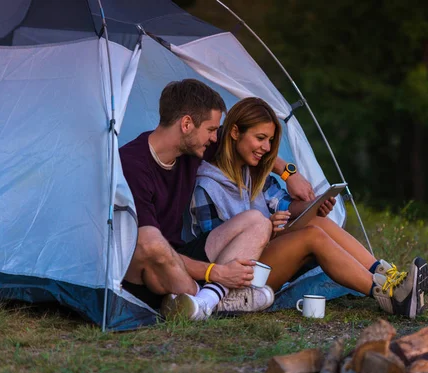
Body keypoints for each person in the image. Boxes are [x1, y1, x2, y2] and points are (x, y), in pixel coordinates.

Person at [190, 97, 428, 319]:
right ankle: (390, 297)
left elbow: (286, 206)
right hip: (236, 278)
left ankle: (389, 277)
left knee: (316, 223)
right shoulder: (206, 186)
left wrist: (313, 206)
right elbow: (216, 246)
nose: (266, 148)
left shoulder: (255, 173)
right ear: (234, 132)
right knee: (312, 236)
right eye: (260, 138)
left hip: (265, 256)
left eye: (270, 141)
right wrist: (268, 231)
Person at [119, 80, 315, 321]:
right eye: (212, 130)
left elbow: (246, 143)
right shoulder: (133, 164)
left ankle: (204, 302)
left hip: (183, 256)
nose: (215, 138)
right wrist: (217, 272)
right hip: (150, 267)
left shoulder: (191, 148)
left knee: (258, 220)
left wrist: (288, 173)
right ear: (187, 124)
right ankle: (205, 297)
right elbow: (148, 247)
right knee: (153, 243)